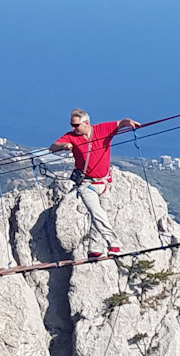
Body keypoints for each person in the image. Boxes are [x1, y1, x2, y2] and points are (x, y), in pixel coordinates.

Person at [48, 109, 143, 259]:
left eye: (76, 125)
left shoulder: (102, 129)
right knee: (97, 214)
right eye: (72, 125)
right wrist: (63, 146)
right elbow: (52, 147)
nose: (73, 128)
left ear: (86, 123)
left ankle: (95, 248)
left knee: (100, 216)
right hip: (86, 184)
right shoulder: (71, 137)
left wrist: (128, 122)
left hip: (105, 182)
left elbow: (120, 123)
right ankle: (114, 243)